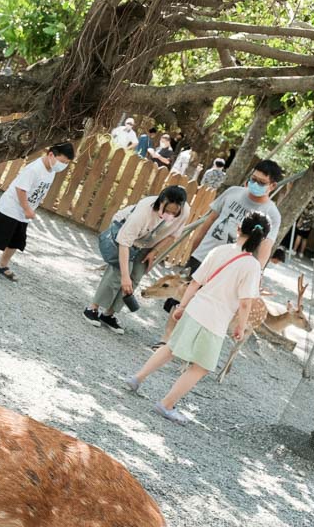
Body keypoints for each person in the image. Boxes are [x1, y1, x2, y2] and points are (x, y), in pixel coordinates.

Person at [125, 212, 269, 424]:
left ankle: (136, 378)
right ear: (262, 239)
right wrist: (240, 325)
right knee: (201, 366)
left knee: (171, 348)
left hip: (196, 308)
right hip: (216, 320)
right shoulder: (253, 266)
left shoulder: (219, 250)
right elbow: (245, 301)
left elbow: (194, 282)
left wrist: (182, 306)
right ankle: (165, 404)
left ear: (239, 228)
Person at [153, 159, 284, 348]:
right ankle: (165, 340)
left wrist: (257, 274)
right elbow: (209, 221)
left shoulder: (272, 214)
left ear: (272, 186)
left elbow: (265, 248)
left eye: (261, 182)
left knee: (209, 307)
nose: (255, 184)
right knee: (181, 297)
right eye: (253, 179)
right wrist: (195, 248)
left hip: (231, 268)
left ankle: (185, 346)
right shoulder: (232, 193)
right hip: (204, 255)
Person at [83, 186, 190, 334]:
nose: (170, 215)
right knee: (119, 273)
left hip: (150, 242)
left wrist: (154, 252)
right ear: (162, 201)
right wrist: (125, 276)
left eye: (174, 212)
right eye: (167, 210)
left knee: (136, 277)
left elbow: (173, 235)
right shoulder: (143, 212)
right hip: (126, 236)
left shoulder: (184, 211)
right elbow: (124, 243)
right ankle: (92, 309)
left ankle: (109, 314)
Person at [0, 143, 75, 281]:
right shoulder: (35, 169)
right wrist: (26, 209)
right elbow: (21, 189)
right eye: (62, 161)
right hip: (10, 208)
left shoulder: (52, 170)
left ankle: (2, 265)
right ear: (51, 155)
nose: (63, 165)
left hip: (24, 213)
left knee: (15, 241)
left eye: (66, 163)